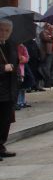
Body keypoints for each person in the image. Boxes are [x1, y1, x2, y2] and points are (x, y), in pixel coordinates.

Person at [0, 19, 18, 159]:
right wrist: (2, 68)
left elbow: (14, 63)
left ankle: (1, 146)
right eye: (1, 30)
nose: (4, 33)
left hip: (9, 88)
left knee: (6, 121)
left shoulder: (11, 44)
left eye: (7, 31)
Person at [39, 22, 53, 88]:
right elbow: (46, 39)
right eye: (48, 25)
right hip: (48, 52)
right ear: (45, 25)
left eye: (51, 24)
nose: (50, 26)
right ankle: (47, 82)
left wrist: (52, 35)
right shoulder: (43, 32)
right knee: (47, 67)